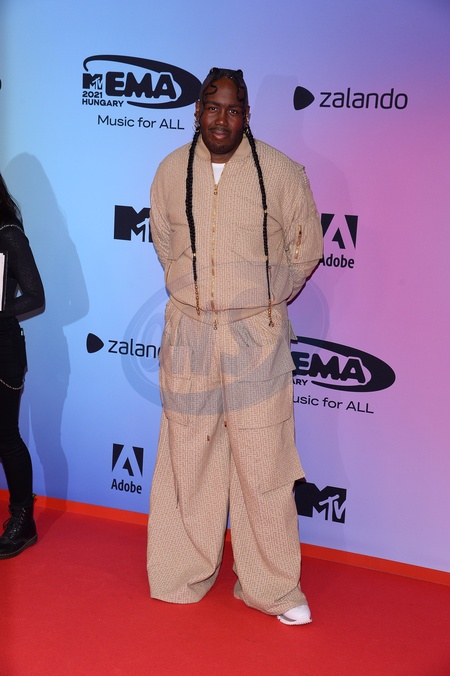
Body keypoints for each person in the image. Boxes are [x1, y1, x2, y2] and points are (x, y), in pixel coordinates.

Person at [147, 68, 323, 625]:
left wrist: (264, 299)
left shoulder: (281, 171)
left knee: (263, 461)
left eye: (233, 108)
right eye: (212, 106)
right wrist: (198, 293)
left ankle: (272, 588)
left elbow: (307, 248)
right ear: (196, 110)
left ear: (247, 115)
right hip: (189, 332)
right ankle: (180, 575)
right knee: (187, 457)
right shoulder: (171, 170)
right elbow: (165, 242)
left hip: (257, 337)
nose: (221, 118)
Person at [0, 173, 45, 559]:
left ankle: (23, 521)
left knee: (5, 436)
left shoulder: (9, 233)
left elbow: (35, 296)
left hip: (3, 348)